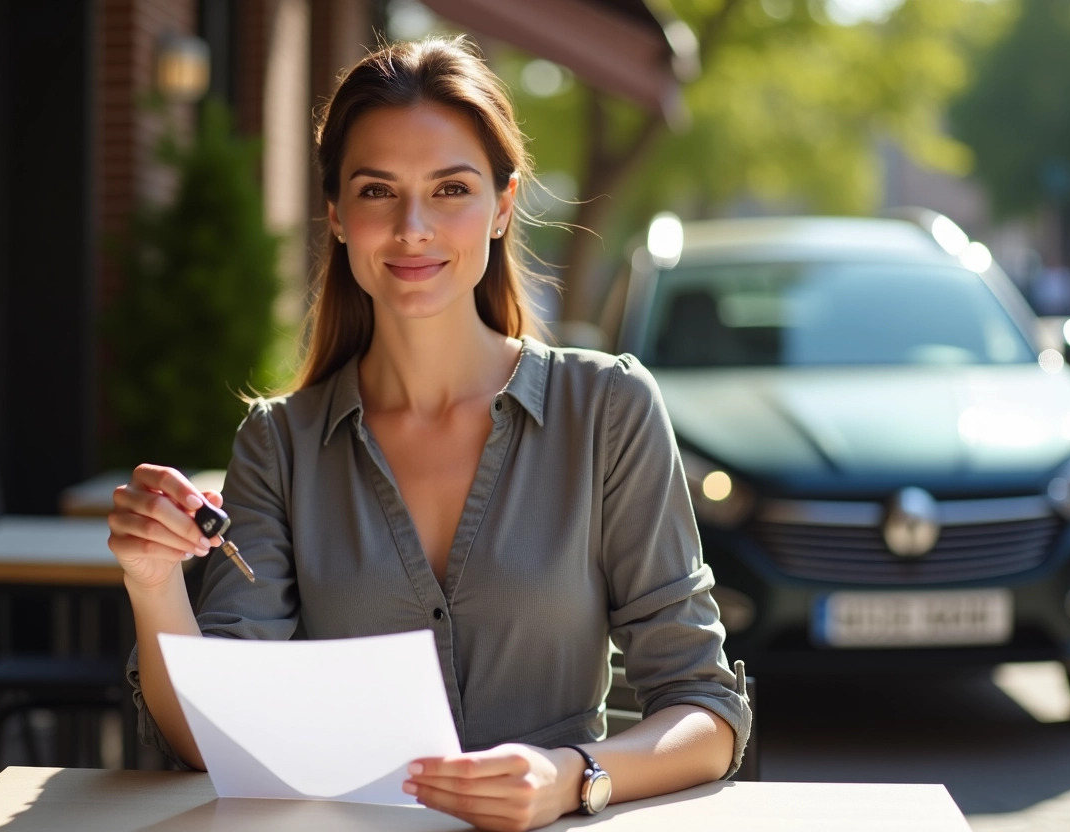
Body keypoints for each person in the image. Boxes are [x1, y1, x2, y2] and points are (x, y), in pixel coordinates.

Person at [108, 35, 751, 832]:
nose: (413, 227)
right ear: (338, 217)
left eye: (450, 189)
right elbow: (215, 741)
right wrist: (151, 580)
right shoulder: (279, 443)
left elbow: (705, 712)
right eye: (378, 192)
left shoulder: (607, 408)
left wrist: (572, 777)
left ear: (503, 205)